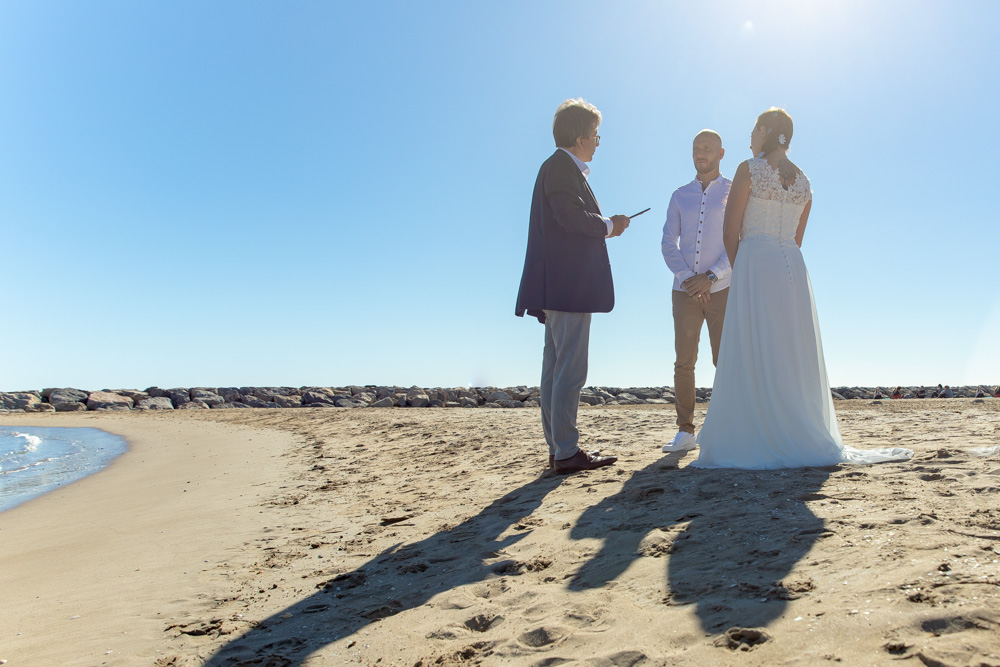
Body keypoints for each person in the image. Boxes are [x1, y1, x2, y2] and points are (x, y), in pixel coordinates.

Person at [691, 108, 912, 469]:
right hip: (791, 265)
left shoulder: (749, 169)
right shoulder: (805, 182)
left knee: (753, 344)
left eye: (753, 130)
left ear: (764, 131)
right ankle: (800, 427)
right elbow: (797, 238)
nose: (749, 137)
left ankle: (756, 429)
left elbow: (730, 233)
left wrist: (743, 264)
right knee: (791, 346)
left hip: (754, 261)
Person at [515, 98, 629, 474]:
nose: (599, 142)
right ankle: (565, 451)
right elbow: (569, 217)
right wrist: (609, 225)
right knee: (569, 371)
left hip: (556, 287)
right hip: (568, 288)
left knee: (554, 369)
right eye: (596, 135)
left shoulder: (557, 167)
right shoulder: (562, 168)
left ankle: (558, 449)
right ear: (580, 137)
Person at [660, 130, 732, 454]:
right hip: (684, 292)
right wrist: (690, 278)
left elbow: (738, 241)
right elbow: (667, 242)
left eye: (706, 148)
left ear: (720, 153)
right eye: (695, 148)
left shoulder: (733, 192)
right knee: (683, 362)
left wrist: (711, 277)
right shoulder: (679, 195)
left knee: (725, 360)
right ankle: (685, 431)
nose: (700, 153)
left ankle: (726, 428)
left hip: (723, 289)